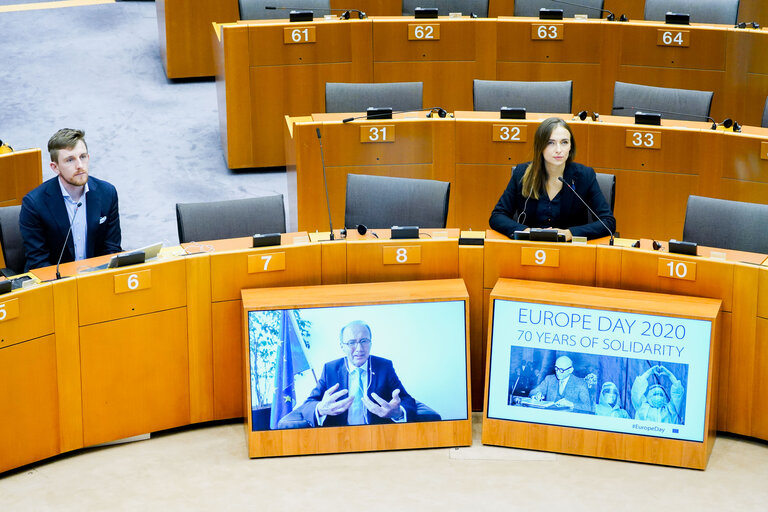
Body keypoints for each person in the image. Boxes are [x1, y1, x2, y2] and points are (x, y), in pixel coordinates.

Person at [489, 117, 616, 241]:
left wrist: (570, 233)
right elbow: (497, 216)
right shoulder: (522, 173)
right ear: (540, 146)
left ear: (571, 146)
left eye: (564, 142)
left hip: (571, 252)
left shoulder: (584, 176)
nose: (559, 150)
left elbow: (608, 222)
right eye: (551, 143)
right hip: (529, 248)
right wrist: (525, 231)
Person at [19, 128, 122, 271]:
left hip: (96, 279)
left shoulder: (107, 193)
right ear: (55, 167)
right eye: (70, 160)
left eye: (83, 157)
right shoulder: (34, 204)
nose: (79, 165)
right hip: (55, 284)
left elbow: (112, 250)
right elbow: (39, 262)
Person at [283, 320, 417, 428]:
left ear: (371, 343)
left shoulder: (384, 367)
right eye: (352, 342)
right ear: (342, 346)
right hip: (340, 438)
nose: (359, 349)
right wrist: (320, 409)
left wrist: (398, 412)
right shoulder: (330, 369)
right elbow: (309, 403)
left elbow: (407, 400)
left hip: (377, 435)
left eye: (364, 341)